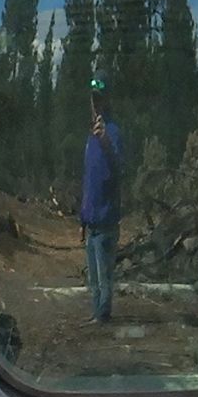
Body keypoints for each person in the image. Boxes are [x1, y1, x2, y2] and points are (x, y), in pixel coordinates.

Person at [80, 77, 123, 322]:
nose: (96, 105)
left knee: (104, 275)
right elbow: (89, 178)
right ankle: (96, 314)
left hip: (106, 219)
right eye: (93, 99)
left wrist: (106, 142)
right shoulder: (90, 137)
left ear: (108, 101)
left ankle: (103, 316)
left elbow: (120, 169)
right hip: (91, 219)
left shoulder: (113, 132)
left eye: (100, 99)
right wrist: (82, 214)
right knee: (93, 277)